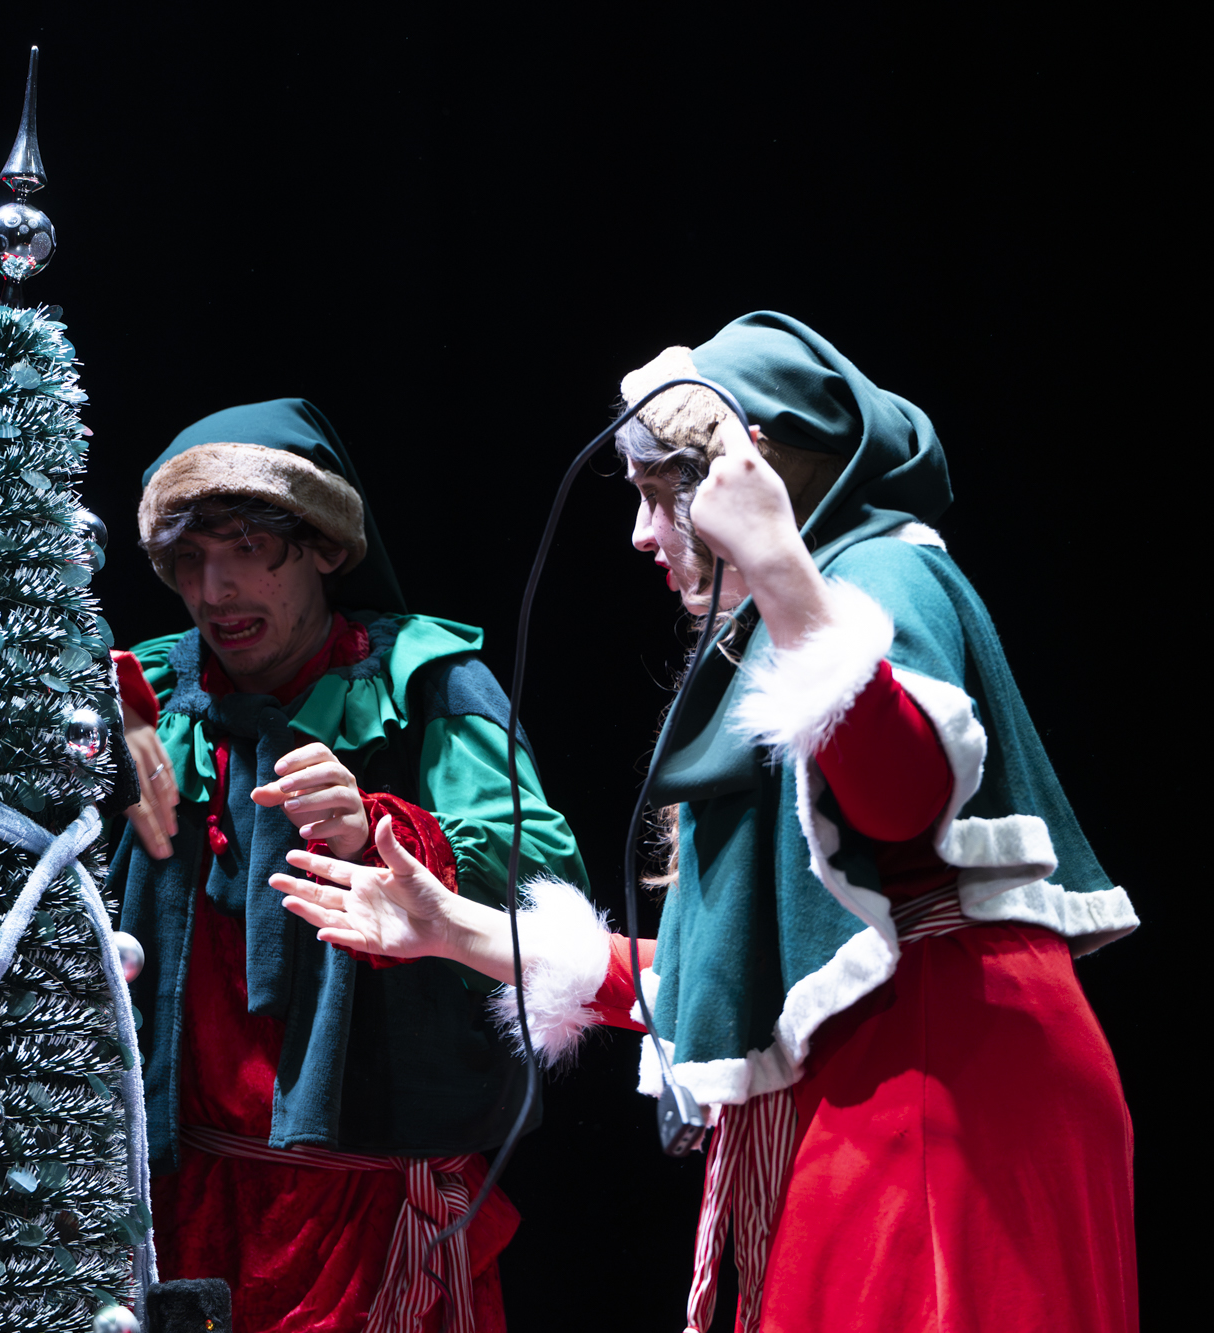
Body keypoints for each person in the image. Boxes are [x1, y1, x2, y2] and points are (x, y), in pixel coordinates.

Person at [276, 314, 1140, 1332]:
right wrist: (452, 928)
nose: (640, 536)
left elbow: (904, 793)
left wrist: (775, 560)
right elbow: (717, 976)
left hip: (945, 1086)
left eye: (660, 496)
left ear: (752, 471)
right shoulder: (796, 623)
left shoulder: (876, 574)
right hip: (880, 1082)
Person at [102, 398, 587, 1333]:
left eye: (248, 548)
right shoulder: (144, 693)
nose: (215, 589)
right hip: (180, 1207)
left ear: (324, 546)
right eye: (189, 558)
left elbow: (542, 882)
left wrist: (379, 832)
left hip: (365, 1215)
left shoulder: (425, 685)